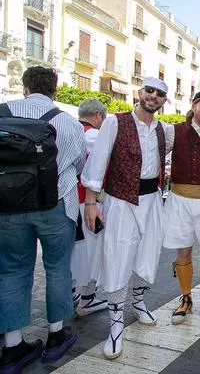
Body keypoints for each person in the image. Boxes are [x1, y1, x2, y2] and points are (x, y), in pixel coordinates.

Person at [0, 67, 86, 370]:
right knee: (58, 268)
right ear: (55, 89)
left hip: (8, 208)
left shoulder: (1, 113)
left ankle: (12, 347)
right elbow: (79, 163)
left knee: (11, 271)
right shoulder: (66, 122)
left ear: (24, 87)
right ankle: (55, 336)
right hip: (55, 206)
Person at [82, 77, 172, 360]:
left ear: (163, 100)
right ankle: (116, 324)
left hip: (152, 200)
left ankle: (138, 300)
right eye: (149, 91)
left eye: (159, 94)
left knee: (149, 254)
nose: (153, 96)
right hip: (120, 201)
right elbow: (97, 160)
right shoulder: (115, 122)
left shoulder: (163, 130)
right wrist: (91, 202)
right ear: (140, 92)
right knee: (118, 256)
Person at [163, 88, 200, 326]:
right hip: (179, 199)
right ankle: (186, 297)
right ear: (194, 106)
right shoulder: (174, 131)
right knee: (183, 251)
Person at [71, 99, 108, 317]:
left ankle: (73, 292)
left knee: (74, 249)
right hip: (90, 201)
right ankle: (87, 298)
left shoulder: (70, 131)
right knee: (92, 250)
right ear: (97, 115)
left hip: (69, 200)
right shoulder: (95, 136)